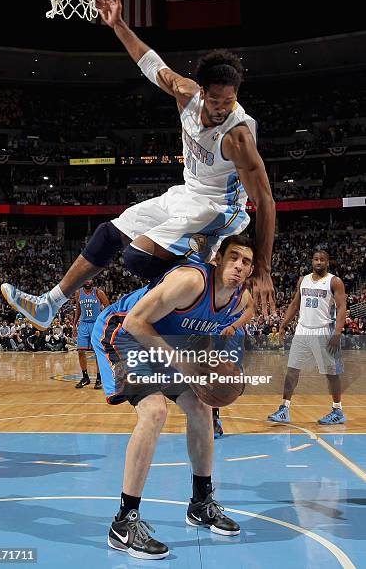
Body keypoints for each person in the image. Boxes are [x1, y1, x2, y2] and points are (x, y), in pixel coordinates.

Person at [0, 0, 275, 329]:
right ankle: (49, 304)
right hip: (187, 195)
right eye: (216, 101)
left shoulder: (238, 137)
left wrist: (263, 268)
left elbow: (265, 201)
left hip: (219, 210)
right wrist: (118, 25)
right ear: (201, 92)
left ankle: (197, 301)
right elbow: (150, 63)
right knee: (108, 234)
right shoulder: (185, 93)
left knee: (136, 256)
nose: (222, 109)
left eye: (229, 102)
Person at [91, 235, 254, 559]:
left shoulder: (237, 299)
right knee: (155, 412)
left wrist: (204, 371)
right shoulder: (190, 281)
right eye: (233, 257)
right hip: (122, 333)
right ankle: (123, 523)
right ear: (218, 259)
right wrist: (180, 362)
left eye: (246, 262)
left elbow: (204, 333)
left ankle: (201, 504)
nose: (238, 266)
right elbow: (136, 322)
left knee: (200, 407)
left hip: (166, 343)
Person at [268, 250, 347, 425]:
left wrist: (337, 333)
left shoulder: (334, 281)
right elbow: (295, 304)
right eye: (316, 259)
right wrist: (283, 324)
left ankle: (338, 410)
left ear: (328, 262)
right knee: (292, 370)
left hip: (323, 331)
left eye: (322, 260)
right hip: (302, 330)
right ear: (312, 261)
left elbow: (342, 308)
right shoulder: (303, 280)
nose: (319, 262)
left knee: (331, 374)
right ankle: (284, 409)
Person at [212, 288, 255, 438]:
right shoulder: (205, 284)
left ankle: (237, 373)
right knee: (209, 377)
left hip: (232, 333)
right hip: (209, 331)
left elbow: (250, 310)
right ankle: (213, 419)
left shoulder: (239, 288)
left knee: (224, 379)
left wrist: (234, 326)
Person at [73, 280, 109, 389]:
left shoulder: (98, 292)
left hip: (96, 324)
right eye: (86, 279)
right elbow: (78, 310)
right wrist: (74, 325)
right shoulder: (78, 293)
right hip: (83, 324)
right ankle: (85, 377)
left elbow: (108, 308)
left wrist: (105, 323)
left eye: (90, 279)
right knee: (80, 351)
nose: (88, 281)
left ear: (92, 280)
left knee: (97, 352)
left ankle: (99, 379)